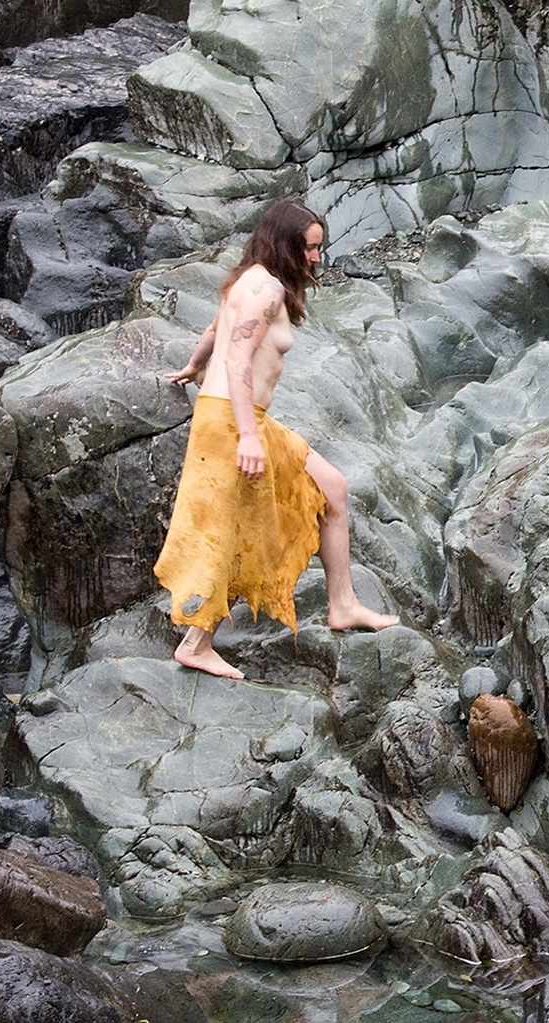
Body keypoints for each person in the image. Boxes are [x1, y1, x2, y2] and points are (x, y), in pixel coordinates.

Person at [156, 198, 398, 679]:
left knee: (333, 488)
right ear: (285, 243)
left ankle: (343, 604)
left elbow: (216, 328)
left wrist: (192, 366)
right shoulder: (265, 289)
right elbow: (238, 359)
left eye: (318, 247)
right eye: (309, 248)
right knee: (233, 530)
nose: (315, 257)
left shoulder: (249, 280)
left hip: (235, 416)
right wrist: (248, 436)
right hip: (234, 423)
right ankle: (195, 644)